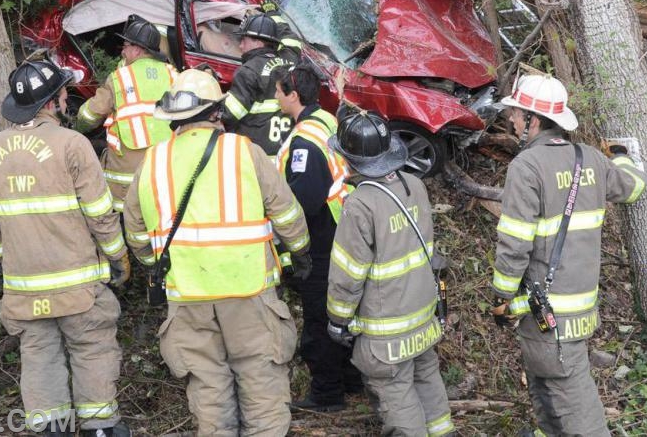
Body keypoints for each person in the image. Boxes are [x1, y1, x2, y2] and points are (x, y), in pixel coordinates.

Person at [122, 69, 312, 437]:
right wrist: (301, 252)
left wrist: (156, 265)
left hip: (188, 298)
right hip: (249, 293)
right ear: (215, 112)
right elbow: (286, 210)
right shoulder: (244, 152)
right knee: (261, 385)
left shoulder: (152, 162)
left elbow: (134, 231)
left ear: (173, 118)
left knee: (209, 393)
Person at [0, 60, 131, 437]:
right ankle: (100, 428)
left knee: (39, 354)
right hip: (78, 285)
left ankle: (50, 428)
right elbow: (99, 213)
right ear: (54, 101)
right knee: (91, 347)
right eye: (63, 93)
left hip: (24, 285)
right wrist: (117, 256)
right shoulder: (73, 144)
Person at [489, 75, 647, 437]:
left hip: (546, 311)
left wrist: (501, 297)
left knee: (573, 397)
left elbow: (514, 242)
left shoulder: (526, 168)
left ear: (534, 120)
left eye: (515, 114)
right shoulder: (589, 157)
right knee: (545, 384)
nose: (511, 121)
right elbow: (635, 186)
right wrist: (621, 157)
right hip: (579, 307)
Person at [326, 109, 454, 437]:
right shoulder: (414, 185)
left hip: (387, 332)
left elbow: (348, 273)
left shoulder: (360, 205)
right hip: (422, 317)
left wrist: (338, 321)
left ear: (351, 160)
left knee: (397, 395)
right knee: (426, 377)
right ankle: (444, 432)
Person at [272, 65, 361, 413]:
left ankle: (327, 394)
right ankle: (352, 381)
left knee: (318, 319)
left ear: (293, 96)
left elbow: (304, 198)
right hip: (343, 228)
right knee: (344, 311)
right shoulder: (325, 119)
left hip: (320, 238)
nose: (275, 98)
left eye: (279, 92)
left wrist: (286, 237)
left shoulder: (304, 141)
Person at [77, 15, 177, 211]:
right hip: (167, 159)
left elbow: (91, 114)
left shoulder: (120, 77)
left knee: (130, 211)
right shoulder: (172, 73)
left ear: (137, 49)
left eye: (125, 46)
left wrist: (76, 121)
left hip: (129, 168)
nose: (122, 51)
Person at [221, 12, 295, 156]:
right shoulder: (290, 64)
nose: (240, 45)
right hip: (284, 156)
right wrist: (273, 13)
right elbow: (292, 39)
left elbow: (228, 115)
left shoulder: (248, 71)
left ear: (258, 42)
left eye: (244, 39)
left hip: (255, 157)